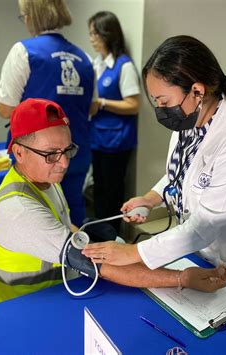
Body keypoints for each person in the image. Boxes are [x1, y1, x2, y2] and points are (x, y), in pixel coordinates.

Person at [82, 35, 226, 297]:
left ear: (197, 91)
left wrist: (133, 252)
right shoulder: (191, 120)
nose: (161, 109)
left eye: (163, 101)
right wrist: (150, 199)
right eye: (156, 102)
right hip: (196, 249)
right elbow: (183, 174)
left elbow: (206, 225)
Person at [0, 98, 226, 304]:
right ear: (19, 152)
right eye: (51, 154)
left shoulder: (42, 179)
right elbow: (102, 268)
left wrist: (89, 239)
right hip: (27, 307)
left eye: (67, 150)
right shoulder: (18, 211)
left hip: (54, 289)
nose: (64, 163)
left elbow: (65, 228)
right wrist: (181, 279)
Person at [0, 0, 96, 226]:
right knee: (72, 209)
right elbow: (92, 106)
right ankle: (80, 257)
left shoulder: (24, 52)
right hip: (75, 151)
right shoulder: (86, 59)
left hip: (39, 157)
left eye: (24, 16)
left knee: (36, 215)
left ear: (31, 16)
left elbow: (5, 109)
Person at [88, 11, 140, 232]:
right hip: (97, 137)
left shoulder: (123, 66)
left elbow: (133, 105)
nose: (91, 39)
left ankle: (112, 235)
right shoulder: (97, 64)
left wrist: (101, 103)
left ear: (106, 34)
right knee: (99, 188)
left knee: (112, 191)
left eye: (94, 33)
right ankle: (100, 232)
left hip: (116, 141)